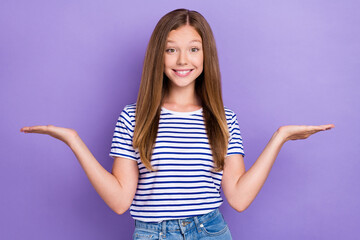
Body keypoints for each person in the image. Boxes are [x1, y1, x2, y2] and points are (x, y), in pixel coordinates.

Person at [20, 8, 334, 240]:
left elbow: (238, 198)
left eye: (193, 49)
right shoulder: (134, 117)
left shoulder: (224, 119)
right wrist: (73, 140)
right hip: (153, 234)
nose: (183, 60)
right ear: (159, 55)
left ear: (205, 55)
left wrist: (279, 137)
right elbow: (119, 202)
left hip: (210, 231)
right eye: (171, 50)